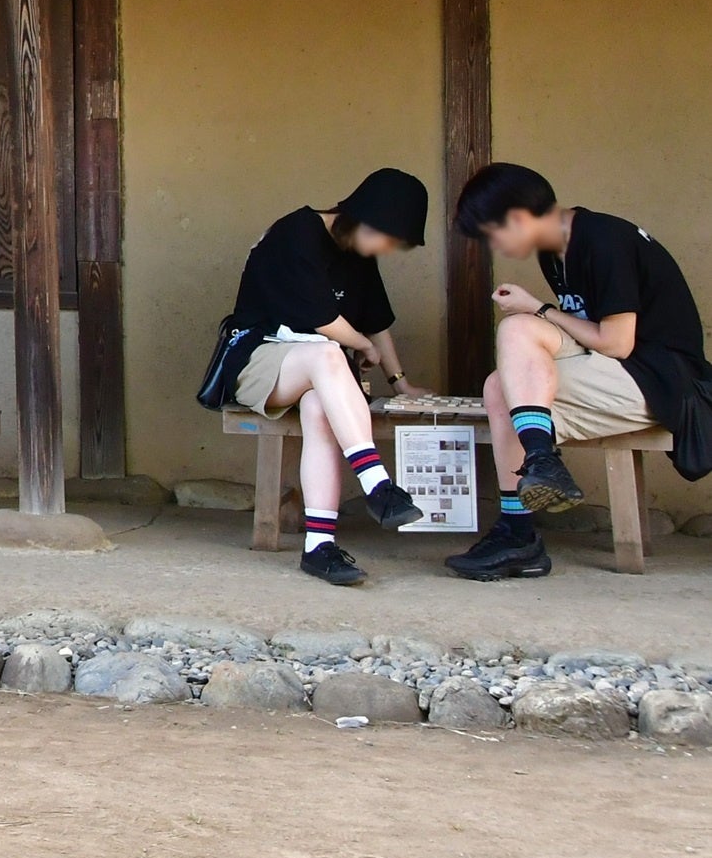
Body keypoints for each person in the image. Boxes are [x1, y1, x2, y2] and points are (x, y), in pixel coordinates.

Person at [445, 163, 712, 581]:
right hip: (617, 367)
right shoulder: (558, 251)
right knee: (507, 362)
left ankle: (520, 527)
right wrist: (534, 314)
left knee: (504, 385)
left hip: (662, 380)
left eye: (491, 234)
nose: (492, 245)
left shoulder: (603, 240)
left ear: (516, 218)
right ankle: (538, 467)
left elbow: (617, 342)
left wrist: (539, 308)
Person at [196, 168, 430, 585]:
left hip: (320, 370)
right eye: (388, 238)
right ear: (363, 218)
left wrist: (400, 381)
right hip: (258, 359)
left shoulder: (358, 254)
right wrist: (361, 346)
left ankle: (318, 547)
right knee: (326, 353)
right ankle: (379, 485)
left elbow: (377, 320)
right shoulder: (296, 232)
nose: (388, 249)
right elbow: (324, 321)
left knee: (322, 406)